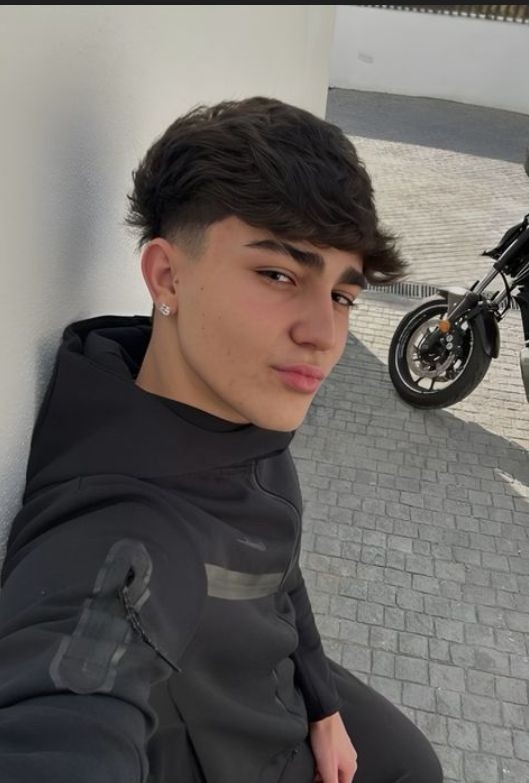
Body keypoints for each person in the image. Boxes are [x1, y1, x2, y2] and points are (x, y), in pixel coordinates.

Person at [0, 96, 443, 783]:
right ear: (167, 275)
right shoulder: (123, 528)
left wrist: (322, 700)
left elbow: (278, 563)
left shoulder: (232, 398)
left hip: (282, 691)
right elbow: (66, 707)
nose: (323, 335)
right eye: (278, 275)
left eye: (341, 296)